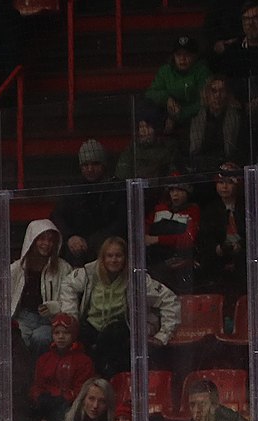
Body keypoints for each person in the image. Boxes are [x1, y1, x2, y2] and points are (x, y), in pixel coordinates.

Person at [57, 236, 181, 377]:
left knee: (112, 334)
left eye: (118, 256)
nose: (113, 260)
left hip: (122, 330)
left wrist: (163, 335)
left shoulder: (137, 278)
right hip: (93, 327)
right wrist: (71, 316)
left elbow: (169, 299)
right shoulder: (89, 272)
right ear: (102, 257)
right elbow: (67, 284)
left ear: (125, 257)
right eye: (109, 256)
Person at [51, 139, 127, 268]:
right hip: (77, 249)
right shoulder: (74, 189)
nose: (90, 169)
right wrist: (70, 237)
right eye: (85, 165)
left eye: (95, 164)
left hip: (108, 246)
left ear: (103, 165)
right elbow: (57, 216)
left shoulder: (117, 188)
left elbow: (122, 222)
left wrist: (93, 241)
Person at [8, 219, 72, 353]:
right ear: (32, 240)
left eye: (50, 240)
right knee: (17, 338)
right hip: (23, 318)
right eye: (42, 239)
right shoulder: (16, 269)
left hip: (50, 321)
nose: (46, 244)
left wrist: (53, 307)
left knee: (41, 338)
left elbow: (69, 300)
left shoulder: (63, 268)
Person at [28, 315, 96, 421]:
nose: (61, 337)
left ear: (73, 335)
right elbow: (37, 385)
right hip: (45, 404)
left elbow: (82, 389)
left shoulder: (83, 361)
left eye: (66, 333)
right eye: (56, 333)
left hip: (69, 406)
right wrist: (39, 397)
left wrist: (64, 399)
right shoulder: (44, 359)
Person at [195, 163, 248, 297]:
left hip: (243, 255)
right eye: (221, 182)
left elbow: (253, 234)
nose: (224, 187)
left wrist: (241, 245)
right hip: (218, 256)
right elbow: (205, 237)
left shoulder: (246, 206)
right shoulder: (210, 209)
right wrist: (217, 248)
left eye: (229, 182)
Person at [145, 35, 212, 135]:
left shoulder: (202, 71)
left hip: (194, 117)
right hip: (168, 116)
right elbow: (150, 93)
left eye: (187, 55)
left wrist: (179, 115)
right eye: (178, 55)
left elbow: (205, 101)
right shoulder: (165, 71)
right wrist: (167, 99)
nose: (182, 59)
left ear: (194, 56)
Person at [145, 179, 200, 293]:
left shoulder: (193, 211)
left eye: (180, 190)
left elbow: (188, 239)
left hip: (180, 262)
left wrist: (158, 239)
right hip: (155, 261)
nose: (175, 194)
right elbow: (144, 229)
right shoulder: (159, 209)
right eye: (172, 190)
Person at [187, 77, 248, 171]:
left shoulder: (236, 118)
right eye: (213, 91)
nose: (217, 95)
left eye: (221, 91)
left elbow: (241, 149)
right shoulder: (195, 116)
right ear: (207, 94)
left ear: (227, 94)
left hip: (226, 167)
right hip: (199, 167)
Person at [115, 109, 180, 182]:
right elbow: (122, 174)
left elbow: (173, 174)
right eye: (141, 126)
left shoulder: (167, 147)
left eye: (148, 126)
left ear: (156, 129)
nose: (144, 130)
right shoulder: (131, 149)